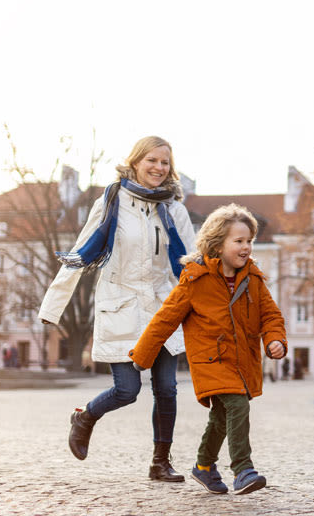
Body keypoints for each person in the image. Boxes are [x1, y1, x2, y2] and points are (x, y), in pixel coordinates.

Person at [38, 135, 196, 482]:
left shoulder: (175, 209)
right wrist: (52, 307)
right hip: (122, 303)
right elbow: (80, 254)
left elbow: (193, 261)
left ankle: (160, 462)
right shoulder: (111, 202)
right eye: (152, 160)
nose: (158, 168)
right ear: (136, 162)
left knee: (167, 389)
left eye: (165, 162)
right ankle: (85, 417)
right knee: (127, 390)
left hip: (162, 306)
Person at [129, 204, 287, 494]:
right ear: (217, 243)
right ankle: (243, 469)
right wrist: (141, 356)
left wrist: (275, 339)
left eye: (249, 241)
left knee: (221, 416)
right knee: (237, 405)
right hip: (210, 360)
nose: (246, 247)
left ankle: (203, 466)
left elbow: (271, 316)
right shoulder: (194, 279)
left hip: (242, 360)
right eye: (238, 241)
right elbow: (165, 319)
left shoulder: (254, 279)